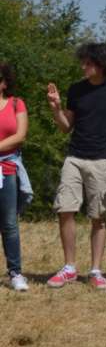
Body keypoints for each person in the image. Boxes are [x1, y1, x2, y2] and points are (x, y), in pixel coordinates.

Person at [45, 41, 106, 289]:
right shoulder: (76, 90)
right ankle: (69, 268)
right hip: (74, 157)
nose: (83, 66)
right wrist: (56, 109)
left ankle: (95, 271)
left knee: (99, 216)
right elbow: (66, 127)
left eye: (88, 63)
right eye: (83, 62)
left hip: (102, 160)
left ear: (101, 65)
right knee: (65, 208)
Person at [0, 62, 29, 292]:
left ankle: (15, 273)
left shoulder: (17, 103)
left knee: (9, 223)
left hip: (7, 169)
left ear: (4, 83)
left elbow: (20, 136)